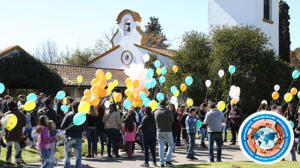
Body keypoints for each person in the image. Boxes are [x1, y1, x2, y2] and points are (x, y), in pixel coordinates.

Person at [61, 102, 86, 168]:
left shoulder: (68, 115)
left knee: (67, 154)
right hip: (78, 137)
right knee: (78, 155)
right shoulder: (82, 116)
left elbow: (62, 126)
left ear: (72, 107)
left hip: (69, 136)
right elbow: (85, 127)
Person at [4, 100, 26, 167]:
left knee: (9, 149)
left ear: (9, 107)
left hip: (9, 133)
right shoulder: (21, 114)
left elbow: (4, 124)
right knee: (17, 148)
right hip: (18, 133)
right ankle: (18, 162)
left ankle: (8, 163)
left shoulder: (7, 114)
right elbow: (24, 123)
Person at [154, 99, 174, 167]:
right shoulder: (168, 111)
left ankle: (161, 162)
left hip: (159, 130)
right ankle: (168, 160)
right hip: (168, 130)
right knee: (171, 145)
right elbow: (172, 120)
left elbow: (155, 121)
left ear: (159, 104)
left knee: (161, 147)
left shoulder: (156, 112)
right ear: (165, 104)